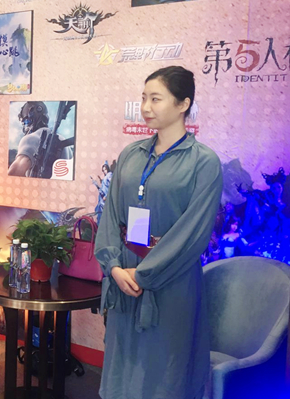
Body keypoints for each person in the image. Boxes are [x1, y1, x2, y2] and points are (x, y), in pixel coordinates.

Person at [94, 66, 223, 399]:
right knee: (123, 366)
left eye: (156, 99)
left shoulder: (203, 162)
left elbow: (192, 233)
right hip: (125, 276)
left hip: (172, 281)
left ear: (183, 104)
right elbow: (111, 215)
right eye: (143, 98)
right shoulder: (131, 154)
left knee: (166, 369)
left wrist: (145, 273)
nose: (146, 107)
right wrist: (114, 267)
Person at [8, 101, 73, 178]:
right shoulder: (65, 144)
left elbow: (13, 173)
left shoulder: (31, 138)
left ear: (31, 119)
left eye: (26, 122)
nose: (25, 126)